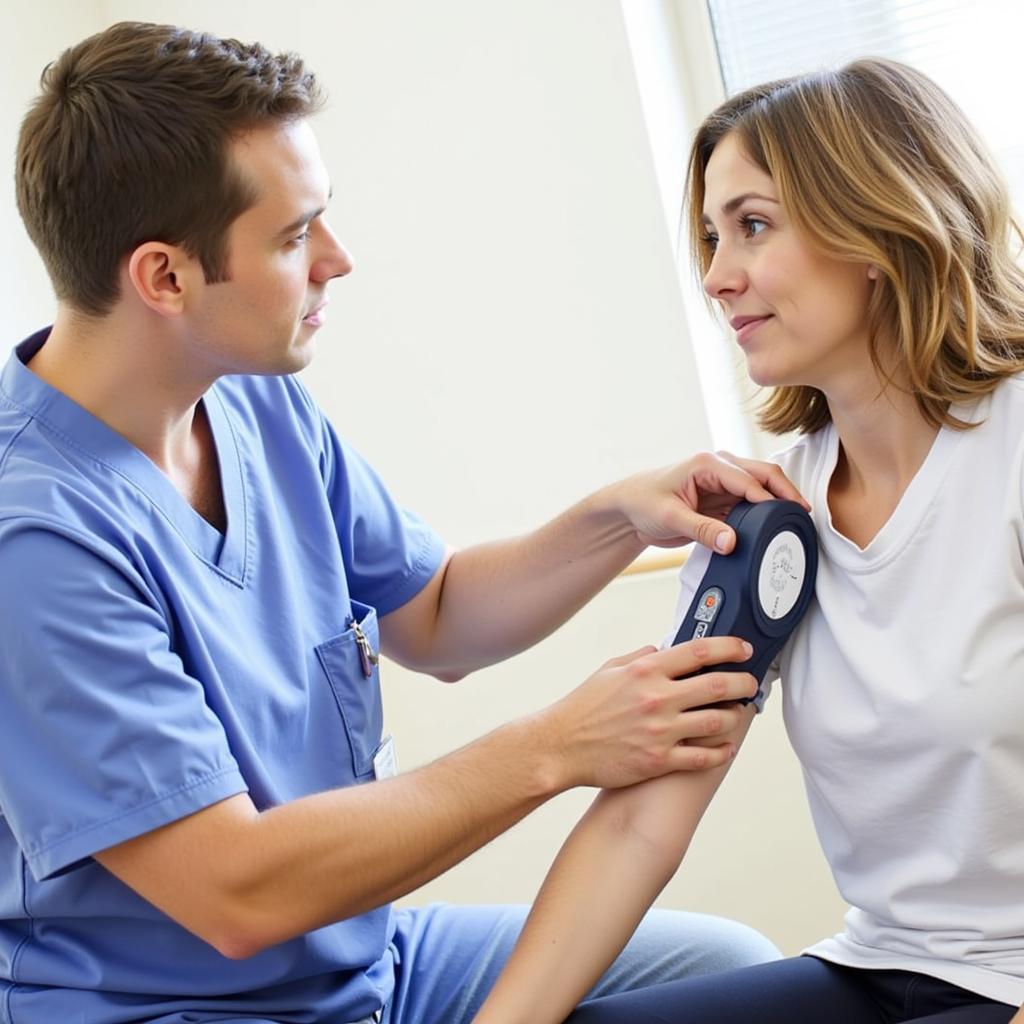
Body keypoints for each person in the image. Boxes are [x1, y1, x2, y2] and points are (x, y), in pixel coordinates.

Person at [0, 21, 806, 1024]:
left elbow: (436, 616)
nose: (338, 259)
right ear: (164, 277)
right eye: (294, 237)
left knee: (720, 965)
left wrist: (621, 519)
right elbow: (236, 892)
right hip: (183, 1005)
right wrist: (555, 747)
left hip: (363, 965)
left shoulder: (250, 399)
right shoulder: (33, 541)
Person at [471, 57, 1024, 1024]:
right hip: (888, 966)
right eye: (711, 238)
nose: (718, 279)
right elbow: (645, 818)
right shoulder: (770, 515)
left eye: (753, 226)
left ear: (877, 227)